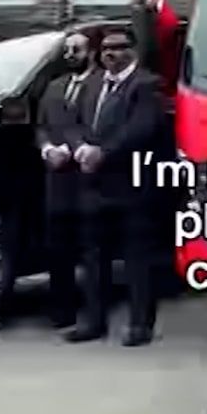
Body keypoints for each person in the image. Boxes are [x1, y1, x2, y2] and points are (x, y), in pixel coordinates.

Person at [66, 25, 172, 347]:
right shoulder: (93, 84)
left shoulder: (147, 85)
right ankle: (94, 322)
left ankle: (140, 325)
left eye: (118, 47)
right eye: (106, 48)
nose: (110, 53)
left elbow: (140, 130)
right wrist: (80, 148)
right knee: (93, 257)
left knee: (137, 258)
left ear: (132, 51)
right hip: (94, 184)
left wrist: (103, 153)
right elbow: (74, 122)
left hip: (132, 186)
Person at [35, 30, 98, 328]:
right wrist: (47, 149)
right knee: (58, 248)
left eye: (76, 49)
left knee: (91, 249)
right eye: (67, 50)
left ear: (91, 52)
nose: (69, 55)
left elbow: (101, 126)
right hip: (57, 180)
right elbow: (41, 126)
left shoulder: (102, 84)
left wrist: (72, 150)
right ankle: (62, 310)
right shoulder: (54, 86)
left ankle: (94, 311)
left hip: (89, 181)